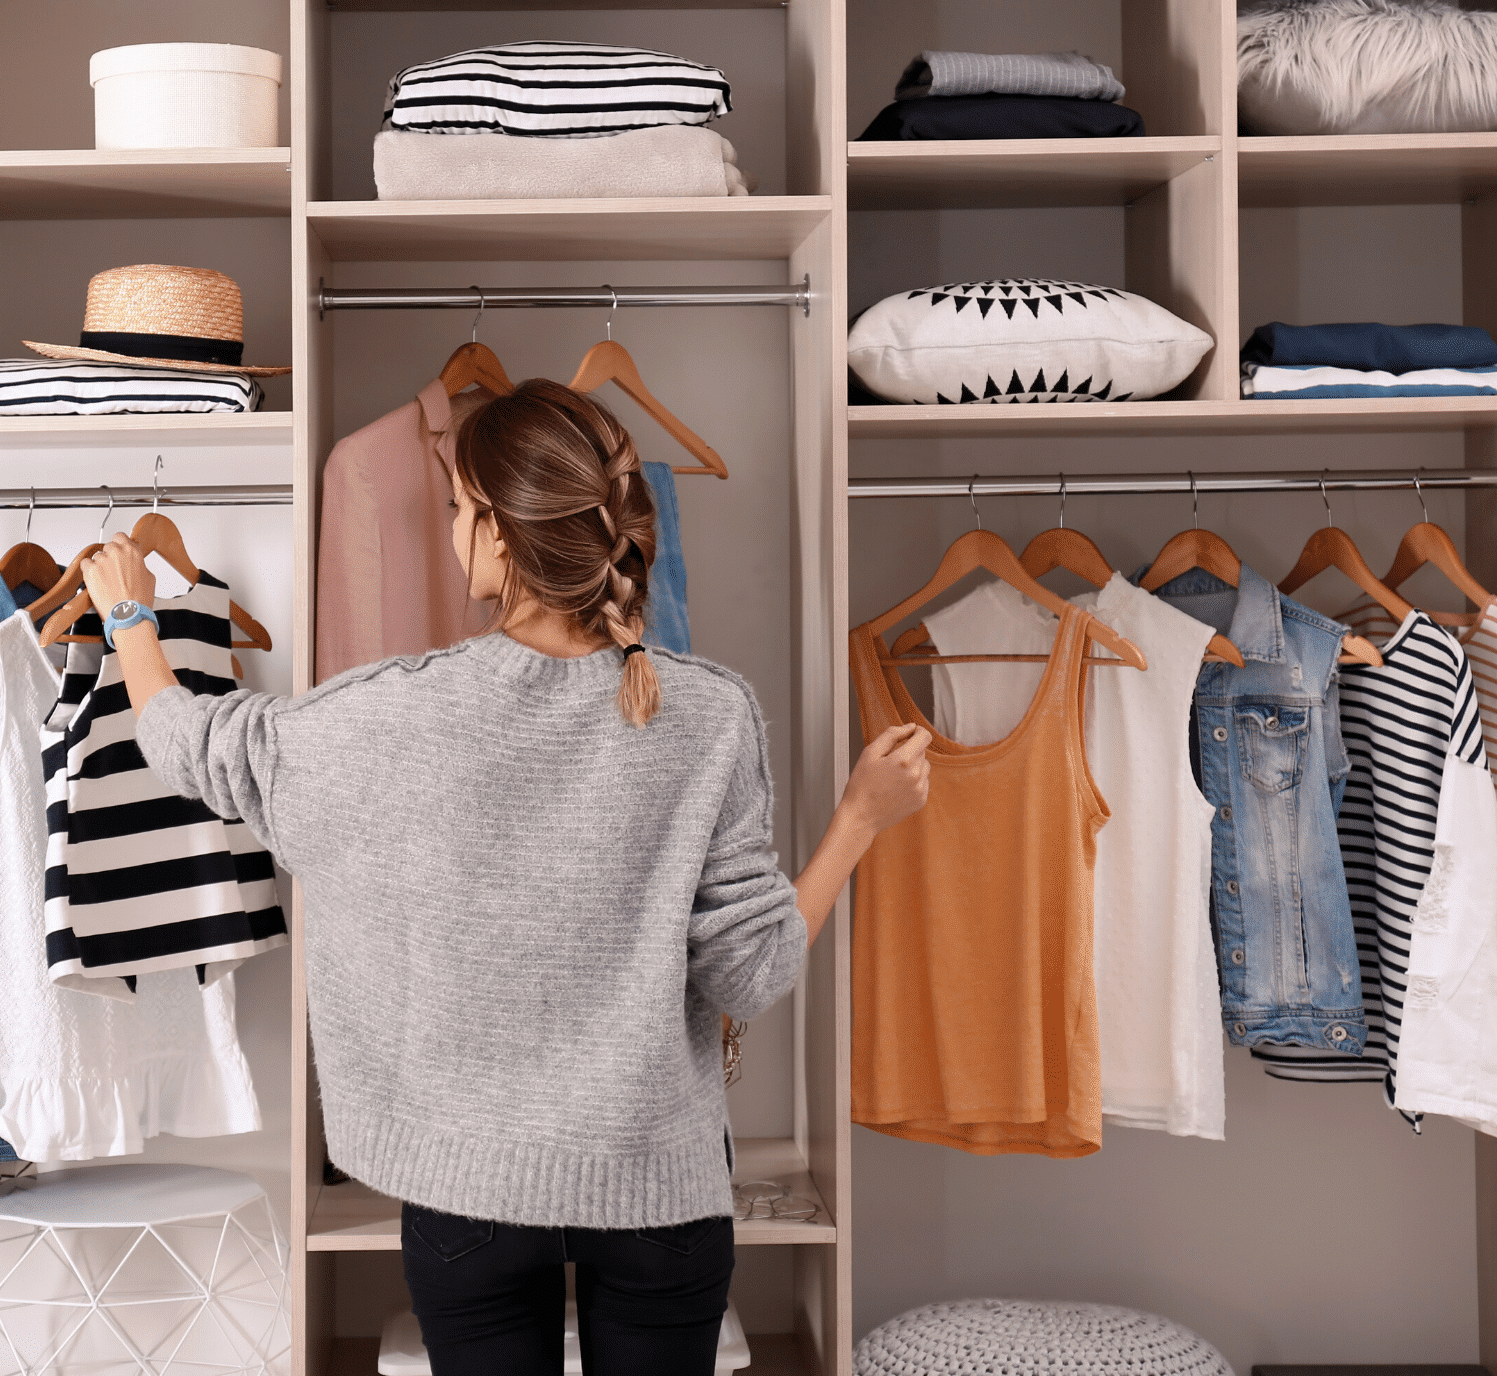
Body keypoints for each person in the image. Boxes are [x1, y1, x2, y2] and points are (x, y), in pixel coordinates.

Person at [81, 377, 930, 1376]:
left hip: (466, 1193)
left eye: (453, 510)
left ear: (492, 528)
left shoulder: (393, 712)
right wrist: (857, 820)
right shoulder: (710, 715)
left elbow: (196, 747)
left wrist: (130, 614)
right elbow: (747, 975)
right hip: (658, 1188)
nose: (448, 530)